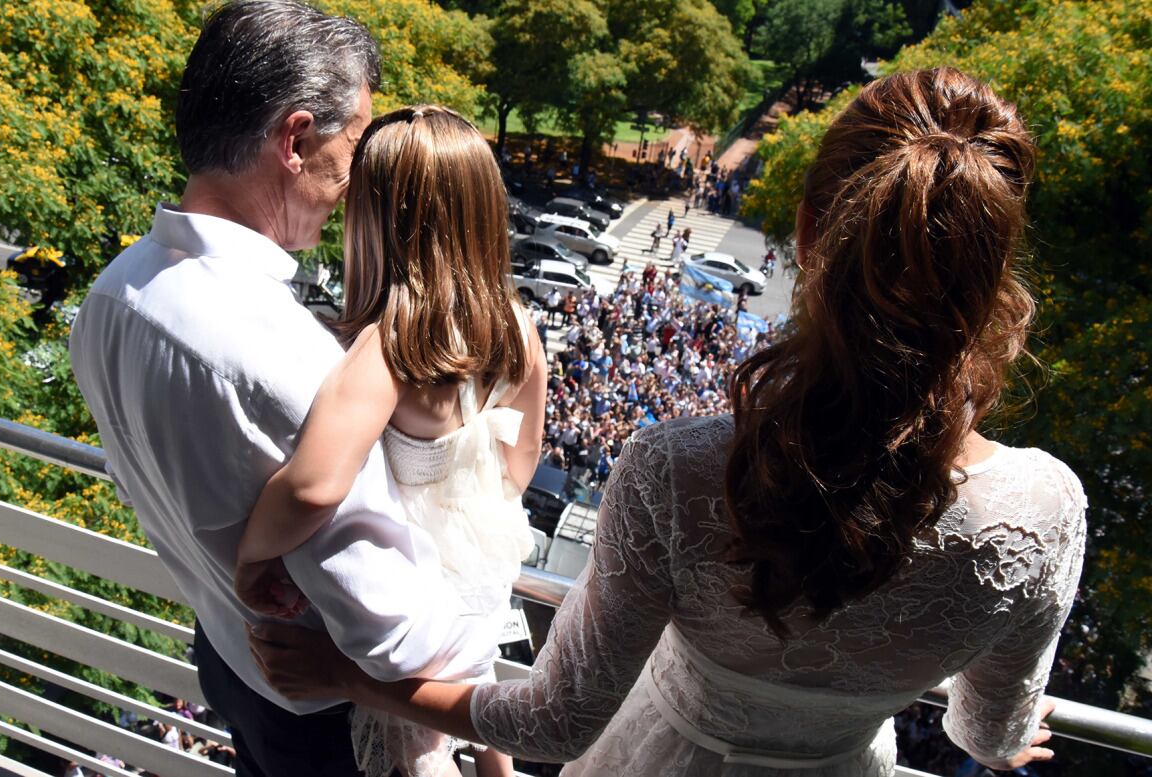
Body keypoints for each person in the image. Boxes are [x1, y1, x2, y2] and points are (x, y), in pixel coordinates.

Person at [247, 68, 1088, 777]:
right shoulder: (1045, 511)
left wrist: (352, 678)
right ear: (993, 277)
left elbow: (557, 721)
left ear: (805, 234)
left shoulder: (679, 470)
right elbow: (985, 732)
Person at [69, 4, 499, 776]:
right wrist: (499, 651)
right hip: (323, 725)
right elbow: (390, 633)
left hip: (231, 667)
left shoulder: (111, 293)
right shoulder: (290, 364)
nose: (360, 175)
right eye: (357, 142)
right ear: (295, 140)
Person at [235, 106, 545, 777]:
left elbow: (315, 483)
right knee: (479, 696)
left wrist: (252, 556)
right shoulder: (518, 327)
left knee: (411, 754)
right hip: (482, 567)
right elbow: (519, 464)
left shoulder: (387, 345)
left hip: (410, 591)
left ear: (376, 219)